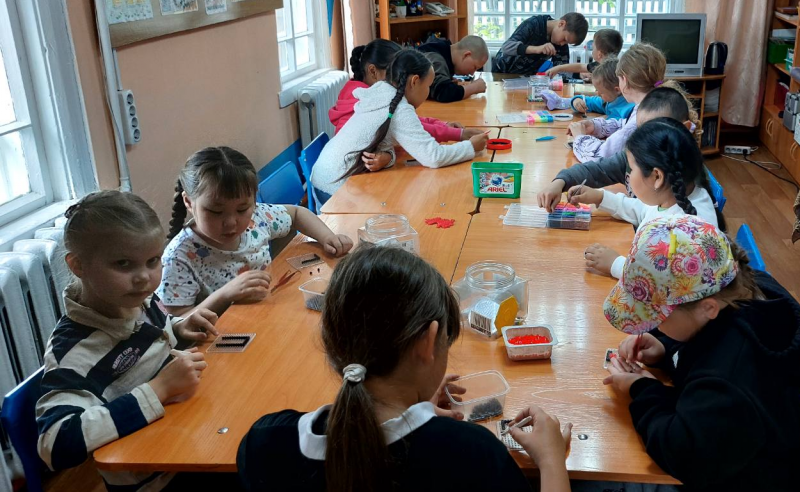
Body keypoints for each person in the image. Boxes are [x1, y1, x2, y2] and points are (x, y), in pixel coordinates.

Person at [236, 246, 573, 492]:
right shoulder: (472, 454)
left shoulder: (264, 442)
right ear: (428, 343)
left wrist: (414, 410)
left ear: (332, 339)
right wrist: (551, 460)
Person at [602, 216, 800, 492]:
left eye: (657, 317)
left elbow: (680, 452)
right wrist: (668, 350)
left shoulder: (729, 375)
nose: (653, 326)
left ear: (708, 308)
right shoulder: (738, 288)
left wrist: (642, 390)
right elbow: (704, 354)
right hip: (744, 450)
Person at [36, 191, 230, 491]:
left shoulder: (138, 302)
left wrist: (179, 327)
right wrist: (159, 389)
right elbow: (55, 444)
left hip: (190, 438)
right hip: (157, 479)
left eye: (153, 261)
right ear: (78, 266)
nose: (143, 277)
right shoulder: (72, 352)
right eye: (124, 264)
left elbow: (151, 339)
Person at [159, 146, 352, 316]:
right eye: (216, 212)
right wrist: (225, 295)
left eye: (242, 209)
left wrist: (327, 237)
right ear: (188, 202)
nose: (231, 223)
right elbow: (178, 322)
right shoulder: (178, 257)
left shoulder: (257, 218)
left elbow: (297, 214)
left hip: (269, 313)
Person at [310, 49, 490, 195]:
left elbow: (382, 140)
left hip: (324, 177)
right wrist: (470, 146)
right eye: (428, 86)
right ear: (414, 81)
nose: (428, 92)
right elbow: (433, 157)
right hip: (334, 189)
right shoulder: (399, 109)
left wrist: (388, 158)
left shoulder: (381, 92)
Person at [569, 118, 721, 279]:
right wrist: (600, 197)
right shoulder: (673, 197)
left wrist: (617, 264)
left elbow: (664, 280)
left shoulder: (687, 232)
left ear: (657, 177)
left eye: (632, 169)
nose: (629, 175)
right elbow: (643, 210)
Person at [537, 86, 704, 212]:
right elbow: (596, 170)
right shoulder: (635, 158)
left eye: (654, 131)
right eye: (640, 129)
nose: (643, 138)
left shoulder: (688, 192)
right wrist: (560, 182)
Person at [329, 39, 480, 144]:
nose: (398, 79)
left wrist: (443, 125)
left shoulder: (362, 90)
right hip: (351, 176)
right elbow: (409, 127)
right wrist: (457, 134)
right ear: (373, 71)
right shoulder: (365, 99)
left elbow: (409, 119)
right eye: (392, 73)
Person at [568, 42, 680, 163]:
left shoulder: (645, 115)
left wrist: (580, 137)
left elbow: (599, 156)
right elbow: (624, 124)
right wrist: (595, 126)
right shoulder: (654, 103)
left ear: (624, 80)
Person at [491, 12, 589, 75]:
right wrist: (537, 49)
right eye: (565, 39)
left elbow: (562, 69)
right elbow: (506, 47)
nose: (563, 44)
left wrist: (579, 75)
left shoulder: (561, 43)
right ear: (561, 24)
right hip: (500, 73)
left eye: (567, 42)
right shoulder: (533, 24)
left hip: (524, 78)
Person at [539, 59, 633, 119]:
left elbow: (615, 127)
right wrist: (577, 101)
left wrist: (602, 120)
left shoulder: (629, 111)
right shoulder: (610, 100)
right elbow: (590, 101)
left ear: (617, 90)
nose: (598, 94)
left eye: (601, 92)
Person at [418, 35, 490, 102]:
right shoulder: (436, 58)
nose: (472, 73)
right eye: (475, 67)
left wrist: (449, 80)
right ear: (466, 55)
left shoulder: (444, 51)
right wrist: (474, 87)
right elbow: (443, 93)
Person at [545, 28, 623, 79]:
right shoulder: (600, 65)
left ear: (599, 54)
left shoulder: (609, 72)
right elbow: (580, 66)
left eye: (593, 48)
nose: (592, 50)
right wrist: (558, 68)